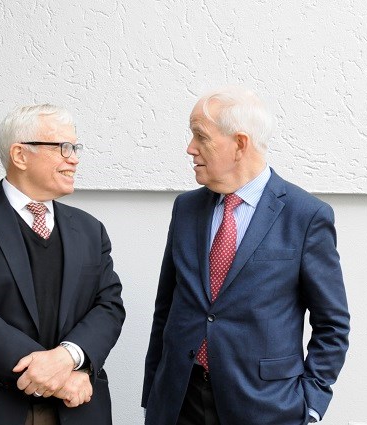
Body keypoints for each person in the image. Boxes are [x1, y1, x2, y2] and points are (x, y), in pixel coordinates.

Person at [142, 87, 350, 425]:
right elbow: (166, 308)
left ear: (240, 144)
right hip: (180, 402)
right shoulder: (186, 208)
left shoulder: (305, 216)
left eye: (201, 136)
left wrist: (310, 403)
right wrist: (154, 392)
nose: (190, 148)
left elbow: (332, 324)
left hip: (264, 407)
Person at [0, 104, 125, 425]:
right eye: (62, 147)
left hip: (75, 411)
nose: (74, 157)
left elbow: (109, 307)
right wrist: (56, 377)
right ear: (20, 155)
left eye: (75, 147)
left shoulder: (89, 229)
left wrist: (68, 358)